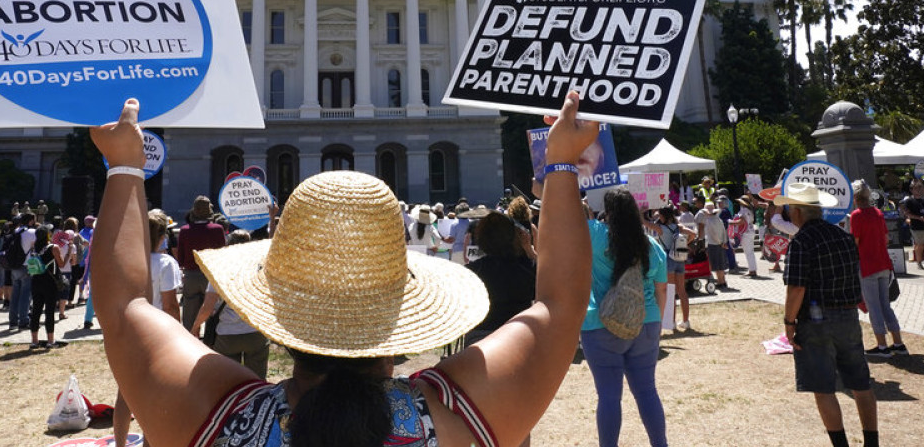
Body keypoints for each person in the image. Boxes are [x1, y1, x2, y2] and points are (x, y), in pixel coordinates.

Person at [89, 91, 599, 447]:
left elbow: (123, 305)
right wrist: (559, 164)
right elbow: (560, 303)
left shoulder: (218, 414)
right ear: (402, 320)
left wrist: (125, 166)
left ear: (278, 318)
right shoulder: (452, 416)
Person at [780, 182, 879, 447]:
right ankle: (872, 442)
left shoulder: (801, 241)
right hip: (848, 316)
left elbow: (796, 287)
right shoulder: (843, 236)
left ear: (797, 212)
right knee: (861, 383)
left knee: (823, 387)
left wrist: (789, 322)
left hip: (816, 320)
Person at [581, 188, 669, 447]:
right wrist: (658, 323)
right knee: (647, 391)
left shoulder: (595, 235)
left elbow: (571, 220)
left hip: (602, 323)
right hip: (648, 321)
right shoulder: (651, 245)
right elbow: (661, 288)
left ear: (607, 213)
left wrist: (585, 206)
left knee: (608, 396)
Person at [114, 209, 183, 446]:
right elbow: (171, 305)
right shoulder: (166, 263)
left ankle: (120, 443)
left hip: (129, 332)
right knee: (154, 396)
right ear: (163, 236)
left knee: (125, 394)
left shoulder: (128, 260)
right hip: (157, 336)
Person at [190, 230, 268, 378]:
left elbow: (208, 307)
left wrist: (195, 326)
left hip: (227, 335)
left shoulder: (219, 272)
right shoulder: (260, 271)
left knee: (229, 381)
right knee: (258, 381)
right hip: (256, 332)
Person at [849, 181, 906, 357]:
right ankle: (898, 343)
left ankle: (882, 346)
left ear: (855, 197)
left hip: (867, 265)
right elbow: (886, 238)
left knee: (874, 306)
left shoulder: (856, 216)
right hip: (884, 264)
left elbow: (855, 242)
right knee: (885, 305)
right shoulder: (878, 213)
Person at [463, 211, 536, 346]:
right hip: (519, 336)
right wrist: (529, 251)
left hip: (479, 338)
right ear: (516, 237)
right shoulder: (528, 269)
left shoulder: (471, 272)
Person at [175, 196, 226, 333]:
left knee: (189, 317)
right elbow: (222, 254)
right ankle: (210, 343)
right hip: (210, 276)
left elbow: (181, 257)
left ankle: (190, 342)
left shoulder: (185, 230)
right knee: (212, 313)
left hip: (191, 275)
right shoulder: (217, 229)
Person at [653, 206, 694, 331]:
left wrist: (642, 212)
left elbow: (643, 222)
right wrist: (685, 244)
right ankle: (686, 321)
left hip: (668, 259)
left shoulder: (660, 228)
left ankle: (672, 322)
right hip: (679, 258)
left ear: (663, 216)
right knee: (682, 291)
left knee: (670, 292)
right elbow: (693, 234)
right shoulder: (678, 226)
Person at [28, 226, 65, 349]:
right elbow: (62, 264)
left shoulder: (33, 247)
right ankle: (50, 341)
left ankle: (34, 341)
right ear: (48, 235)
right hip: (50, 283)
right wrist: (69, 252)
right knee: (49, 312)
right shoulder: (53, 247)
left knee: (36, 311)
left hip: (36, 281)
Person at [8, 212, 38, 331]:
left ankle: (13, 321)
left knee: (15, 294)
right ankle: (24, 320)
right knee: (25, 295)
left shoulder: (16, 231)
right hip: (27, 265)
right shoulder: (32, 232)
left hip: (15, 265)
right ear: (31, 221)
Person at [901, 180, 924, 269]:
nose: (918, 190)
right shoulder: (909, 201)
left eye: (920, 188)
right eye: (916, 188)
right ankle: (919, 262)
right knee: (920, 246)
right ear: (912, 190)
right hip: (917, 228)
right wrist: (919, 218)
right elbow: (907, 214)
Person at [696, 200, 731, 289]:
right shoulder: (718, 219)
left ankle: (720, 281)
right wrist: (723, 242)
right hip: (720, 244)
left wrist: (720, 242)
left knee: (716, 264)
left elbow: (714, 234)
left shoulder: (709, 221)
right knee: (721, 264)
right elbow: (724, 232)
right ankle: (722, 281)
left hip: (713, 244)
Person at [733, 196, 759, 277]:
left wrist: (732, 223)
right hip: (751, 231)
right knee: (750, 252)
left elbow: (742, 221)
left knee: (748, 252)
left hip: (745, 232)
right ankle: (753, 269)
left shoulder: (743, 210)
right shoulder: (750, 210)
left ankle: (752, 271)